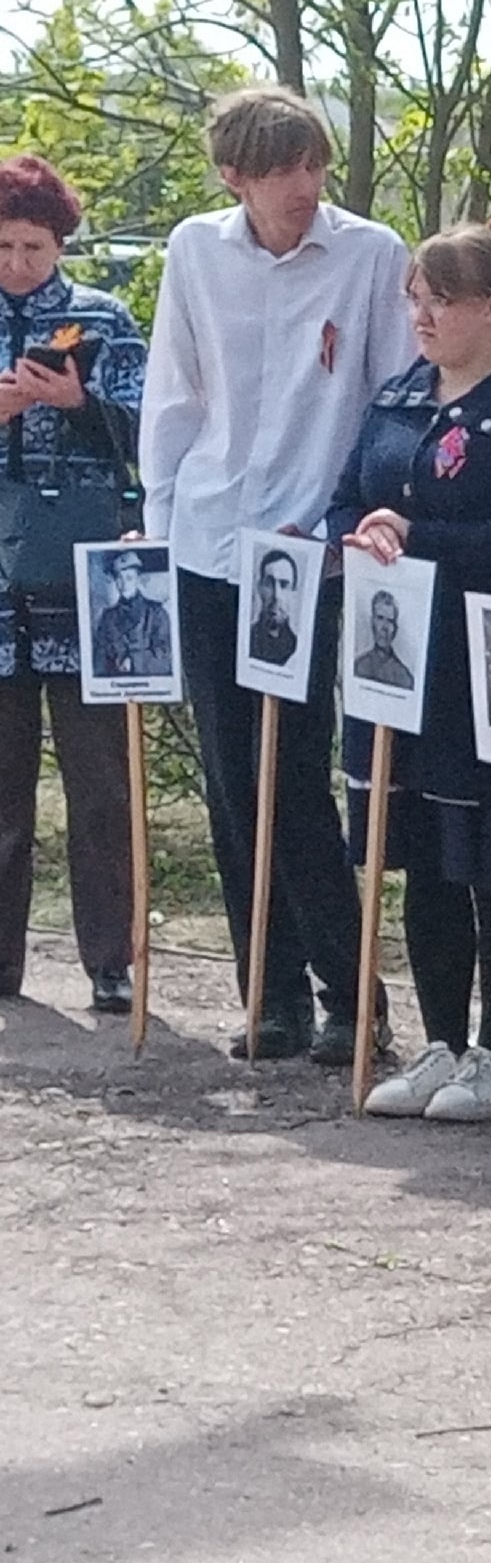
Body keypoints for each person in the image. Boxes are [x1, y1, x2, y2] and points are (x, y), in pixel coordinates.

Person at [137, 86, 413, 1063]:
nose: (304, 186)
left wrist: (359, 516)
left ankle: (351, 994)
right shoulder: (194, 251)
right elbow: (174, 393)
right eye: (282, 169)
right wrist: (161, 525)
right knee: (228, 775)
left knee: (291, 771)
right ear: (235, 176)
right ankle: (272, 994)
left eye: (316, 166)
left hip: (307, 552)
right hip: (210, 541)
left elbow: (392, 401)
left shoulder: (372, 253)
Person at [327, 225, 491, 1125]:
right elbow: (349, 493)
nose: (421, 315)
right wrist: (367, 528)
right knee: (417, 856)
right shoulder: (399, 392)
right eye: (414, 296)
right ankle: (441, 1041)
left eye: (441, 299)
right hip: (397, 660)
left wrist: (422, 539)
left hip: (483, 662)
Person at [0, 152, 144, 1012]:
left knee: (100, 783)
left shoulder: (107, 320)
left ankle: (112, 960)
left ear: (62, 243)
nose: (18, 263)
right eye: (5, 246)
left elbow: (149, 431)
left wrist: (74, 405)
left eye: (33, 247)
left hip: (90, 581)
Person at [92, 552, 171, 678]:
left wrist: (134, 662)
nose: (124, 584)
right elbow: (99, 661)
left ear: (138, 579)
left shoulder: (156, 613)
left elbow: (165, 657)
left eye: (129, 578)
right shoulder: (108, 617)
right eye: (119, 578)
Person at [247, 548, 302, 665]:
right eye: (269, 584)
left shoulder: (298, 647)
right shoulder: (247, 640)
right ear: (259, 588)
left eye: (284, 585)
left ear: (293, 593)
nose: (276, 595)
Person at [352, 589, 411, 688]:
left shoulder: (404, 677)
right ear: (372, 621)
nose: (384, 627)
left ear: (395, 628)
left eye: (390, 621)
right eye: (380, 618)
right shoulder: (358, 666)